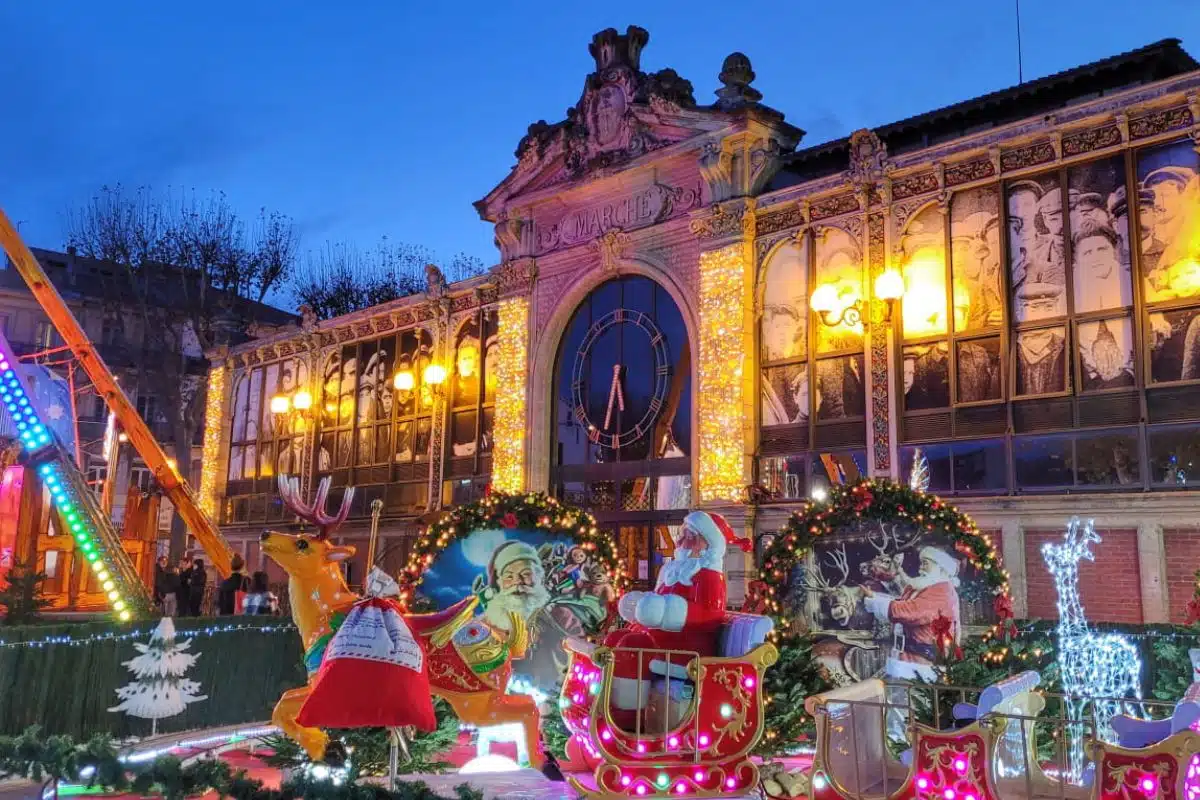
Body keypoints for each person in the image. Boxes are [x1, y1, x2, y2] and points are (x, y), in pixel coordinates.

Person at [603, 511, 752, 730]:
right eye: (681, 535)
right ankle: (607, 704)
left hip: (688, 650)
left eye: (689, 536)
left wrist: (668, 611)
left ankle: (628, 721)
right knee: (616, 637)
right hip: (665, 641)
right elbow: (654, 609)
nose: (681, 542)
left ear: (707, 543)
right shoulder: (671, 571)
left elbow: (710, 614)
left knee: (632, 646)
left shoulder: (709, 575)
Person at [861, 546, 962, 681]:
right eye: (921, 563)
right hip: (906, 658)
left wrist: (877, 603)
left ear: (940, 567)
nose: (921, 567)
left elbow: (913, 612)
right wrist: (875, 597)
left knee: (914, 698)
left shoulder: (943, 590)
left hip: (923, 662)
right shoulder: (920, 587)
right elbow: (901, 602)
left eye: (926, 563)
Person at [1073, 223, 1131, 312]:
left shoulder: (1131, 283)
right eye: (1087, 253)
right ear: (1077, 259)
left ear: (1115, 250)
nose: (1096, 257)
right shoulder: (1071, 294)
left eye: (1102, 249)